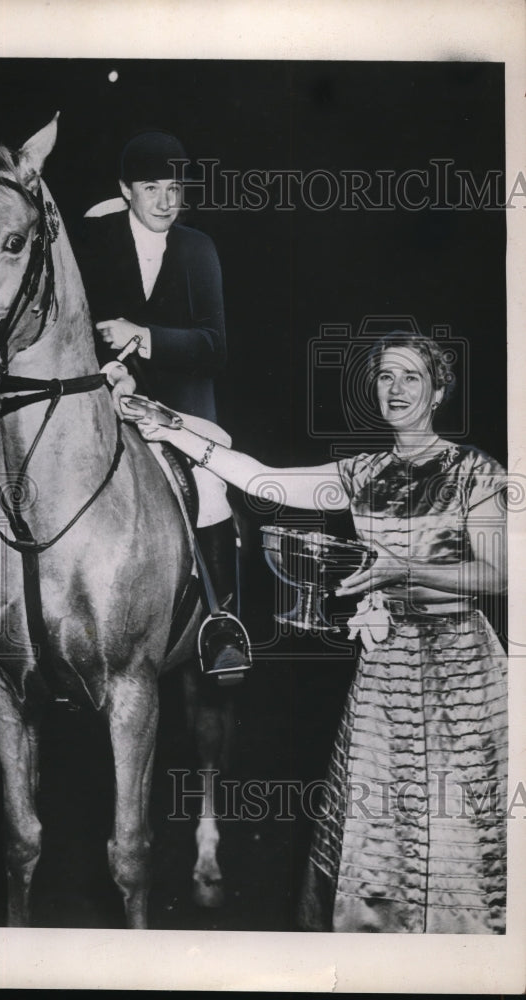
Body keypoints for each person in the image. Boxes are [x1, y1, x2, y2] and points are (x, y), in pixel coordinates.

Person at [133, 330, 508, 934]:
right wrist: (173, 428)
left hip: (460, 672)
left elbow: (498, 575)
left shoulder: (475, 471)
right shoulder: (365, 471)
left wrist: (402, 569)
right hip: (384, 666)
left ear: (438, 392)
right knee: (380, 822)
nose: (397, 389)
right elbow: (260, 479)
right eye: (386, 377)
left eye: (412, 377)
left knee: (457, 820)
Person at [76, 129, 251, 681]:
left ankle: (221, 625)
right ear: (124, 190)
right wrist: (107, 368)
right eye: (151, 188)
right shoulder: (94, 238)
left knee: (211, 492)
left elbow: (215, 346)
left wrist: (143, 335)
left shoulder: (199, 248)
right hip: (104, 402)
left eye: (174, 188)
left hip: (181, 413)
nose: (166, 202)